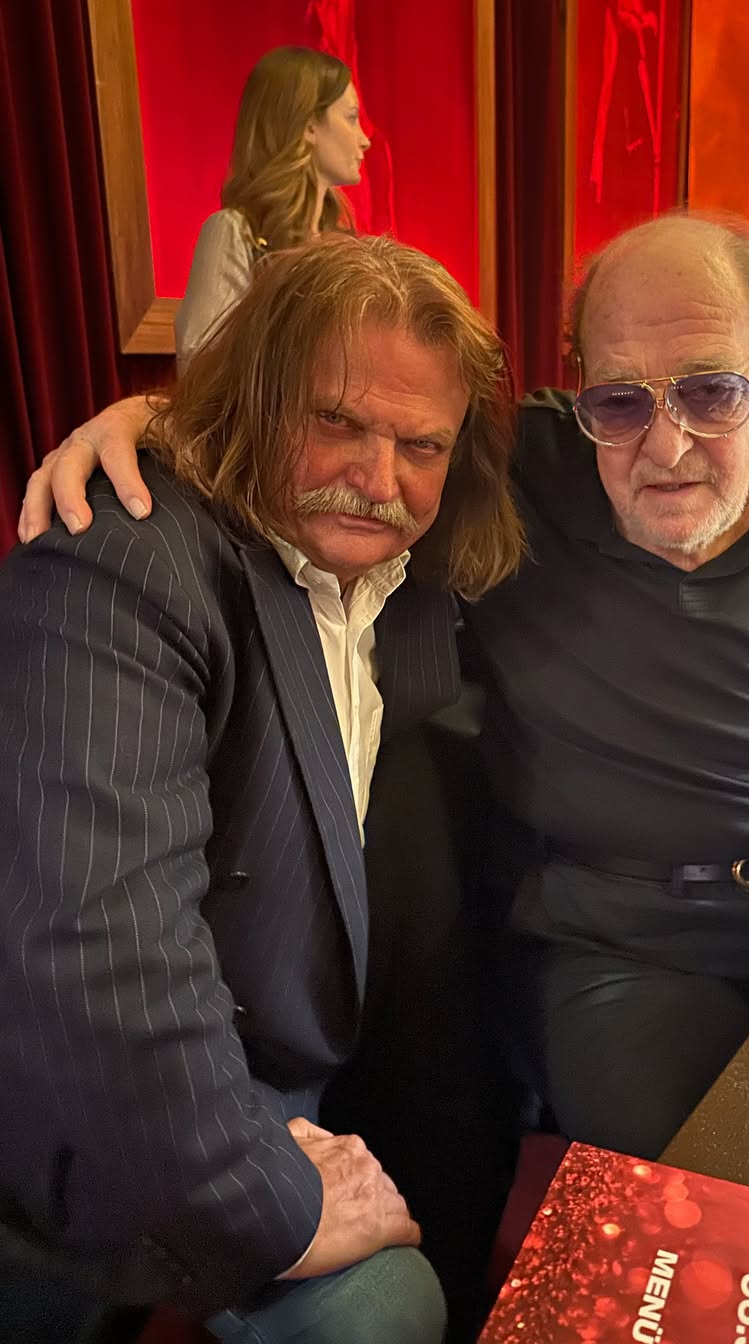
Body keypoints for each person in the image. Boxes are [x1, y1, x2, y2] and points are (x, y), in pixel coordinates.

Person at [18, 214, 749, 1165]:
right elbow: (340, 442)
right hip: (615, 942)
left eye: (711, 392)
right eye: (621, 401)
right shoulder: (519, 467)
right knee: (722, 1198)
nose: (666, 446)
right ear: (582, 390)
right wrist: (160, 418)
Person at [0, 233, 522, 1344]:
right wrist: (268, 1201)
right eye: (334, 420)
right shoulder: (122, 560)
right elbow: (99, 955)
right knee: (381, 1313)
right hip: (105, 1117)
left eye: (420, 444)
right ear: (256, 399)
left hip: (301, 1064)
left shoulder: (412, 577)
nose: (378, 479)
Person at [174, 46, 370, 372]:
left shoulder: (345, 248)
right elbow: (199, 363)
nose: (365, 139)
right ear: (309, 125)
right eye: (351, 118)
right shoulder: (234, 232)